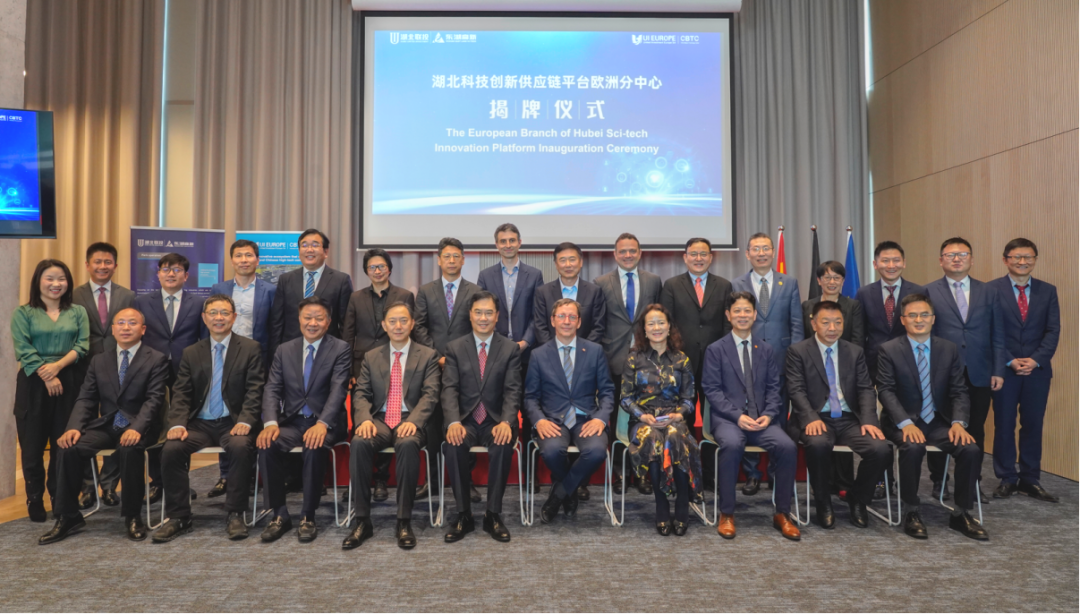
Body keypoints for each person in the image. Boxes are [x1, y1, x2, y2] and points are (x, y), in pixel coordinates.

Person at [37, 308, 170, 544]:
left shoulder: (156, 359)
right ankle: (68, 516)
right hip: (108, 424)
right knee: (69, 447)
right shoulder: (99, 360)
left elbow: (154, 400)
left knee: (129, 448)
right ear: (113, 329)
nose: (126, 327)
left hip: (141, 426)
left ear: (143, 329)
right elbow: (86, 398)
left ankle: (132, 515)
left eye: (132, 323)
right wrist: (74, 427)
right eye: (121, 323)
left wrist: (136, 428)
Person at [153, 295, 265, 543]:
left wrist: (246, 420)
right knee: (171, 449)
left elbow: (255, 389)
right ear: (204, 318)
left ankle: (235, 513)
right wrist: (178, 423)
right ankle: (179, 516)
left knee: (240, 447)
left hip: (233, 421)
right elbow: (182, 392)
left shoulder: (250, 348)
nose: (219, 318)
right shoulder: (192, 352)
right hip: (200, 423)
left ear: (234, 317)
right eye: (213, 313)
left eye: (224, 313)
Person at [877, 294, 987, 540]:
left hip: (938, 422)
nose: (919, 320)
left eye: (924, 315)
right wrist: (905, 423)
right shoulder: (889, 350)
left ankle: (961, 513)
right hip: (902, 421)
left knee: (970, 448)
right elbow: (885, 391)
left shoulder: (948, 349)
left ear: (933, 318)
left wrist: (958, 423)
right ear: (903, 320)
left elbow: (959, 390)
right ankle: (911, 510)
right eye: (912, 315)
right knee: (912, 447)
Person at [702, 292, 800, 541]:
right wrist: (737, 416)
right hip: (728, 420)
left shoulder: (765, 349)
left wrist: (769, 415)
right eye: (737, 311)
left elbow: (774, 389)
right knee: (732, 444)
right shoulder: (715, 349)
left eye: (747, 310)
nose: (742, 315)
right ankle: (727, 513)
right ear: (728, 315)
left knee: (787, 446)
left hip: (761, 420)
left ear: (755, 315)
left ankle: (782, 513)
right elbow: (712, 390)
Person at [786, 300, 891, 529]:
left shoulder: (854, 352)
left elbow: (865, 389)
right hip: (816, 417)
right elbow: (796, 389)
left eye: (838, 322)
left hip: (849, 419)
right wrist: (810, 418)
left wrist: (869, 420)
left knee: (881, 449)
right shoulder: (798, 351)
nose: (832, 328)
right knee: (817, 444)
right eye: (826, 322)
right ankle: (823, 501)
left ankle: (858, 498)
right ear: (814, 324)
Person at [345, 302, 441, 550]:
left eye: (403, 320)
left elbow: (430, 395)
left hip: (411, 417)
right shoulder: (371, 356)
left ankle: (403, 520)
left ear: (412, 324)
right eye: (392, 321)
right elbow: (361, 393)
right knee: (359, 442)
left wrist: (414, 421)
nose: (398, 326)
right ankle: (362, 520)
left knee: (408, 444)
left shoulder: (427, 355)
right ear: (384, 325)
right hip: (379, 419)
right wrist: (364, 419)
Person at [257, 296, 351, 543]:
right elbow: (272, 388)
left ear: (328, 321)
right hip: (293, 421)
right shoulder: (284, 349)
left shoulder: (340, 348)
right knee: (267, 444)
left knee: (314, 445)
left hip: (326, 422)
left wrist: (322, 424)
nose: (312, 323)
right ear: (299, 319)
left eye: (319, 318)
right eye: (307, 317)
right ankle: (279, 514)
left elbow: (338, 390)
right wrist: (270, 423)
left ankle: (308, 515)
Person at [923, 238, 1004, 502]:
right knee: (939, 426)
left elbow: (998, 334)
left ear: (971, 259)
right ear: (941, 260)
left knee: (976, 429)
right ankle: (940, 480)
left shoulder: (989, 291)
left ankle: (972, 482)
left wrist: (998, 370)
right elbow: (925, 334)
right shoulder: (928, 291)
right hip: (941, 373)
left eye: (962, 254)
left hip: (980, 371)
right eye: (950, 255)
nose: (956, 259)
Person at [11, 259, 90, 522]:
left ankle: (60, 497)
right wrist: (46, 375)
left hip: (69, 380)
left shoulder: (77, 311)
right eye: (50, 278)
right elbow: (23, 348)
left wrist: (56, 367)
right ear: (38, 281)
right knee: (32, 445)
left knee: (63, 443)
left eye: (61, 279)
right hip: (33, 382)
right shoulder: (23, 313)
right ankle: (34, 498)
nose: (56, 284)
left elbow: (82, 346)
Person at [441, 291, 522, 543]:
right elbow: (449, 388)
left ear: (497, 316)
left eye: (489, 313)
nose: (483, 318)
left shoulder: (509, 349)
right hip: (464, 420)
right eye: (478, 312)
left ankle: (493, 514)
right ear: (470, 315)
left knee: (502, 444)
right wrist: (453, 421)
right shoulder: (455, 347)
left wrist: (507, 422)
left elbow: (512, 390)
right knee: (453, 445)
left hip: (495, 420)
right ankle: (463, 514)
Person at [525, 298, 615, 523]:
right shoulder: (538, 354)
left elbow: (607, 392)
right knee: (552, 451)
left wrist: (601, 419)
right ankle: (570, 491)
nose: (567, 321)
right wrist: (539, 421)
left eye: (572, 317)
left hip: (587, 419)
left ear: (579, 322)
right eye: (562, 316)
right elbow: (530, 397)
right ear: (552, 320)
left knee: (596, 451)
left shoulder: (594, 351)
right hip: (553, 420)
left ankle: (559, 493)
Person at [132, 253, 209, 503]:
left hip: (186, 372)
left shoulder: (198, 304)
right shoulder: (142, 301)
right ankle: (157, 482)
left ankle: (180, 482)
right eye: (165, 269)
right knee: (155, 425)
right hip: (151, 371)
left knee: (182, 427)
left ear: (186, 276)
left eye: (176, 270)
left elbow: (203, 340)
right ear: (158, 274)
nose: (171, 274)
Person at [731, 232, 803, 495]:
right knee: (749, 412)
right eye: (756, 249)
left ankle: (775, 472)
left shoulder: (789, 282)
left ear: (773, 252)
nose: (761, 253)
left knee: (777, 416)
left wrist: (795, 359)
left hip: (781, 360)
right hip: (746, 358)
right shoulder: (737, 283)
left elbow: (796, 323)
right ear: (747, 253)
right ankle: (752, 474)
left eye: (765, 248)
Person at [342, 247, 416, 503]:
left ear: (389, 269)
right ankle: (358, 481)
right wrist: (349, 370)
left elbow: (410, 330)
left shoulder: (404, 295)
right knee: (363, 423)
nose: (377, 271)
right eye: (372, 267)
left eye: (381, 266)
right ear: (366, 271)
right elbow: (348, 334)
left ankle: (381, 479)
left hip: (394, 365)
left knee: (389, 417)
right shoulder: (356, 297)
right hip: (362, 368)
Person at [621, 303, 701, 536]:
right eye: (651, 324)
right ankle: (662, 505)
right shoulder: (633, 359)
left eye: (661, 323)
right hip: (643, 421)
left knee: (675, 436)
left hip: (674, 419)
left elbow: (689, 398)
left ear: (669, 327)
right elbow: (625, 398)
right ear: (644, 330)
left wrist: (679, 414)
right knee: (653, 438)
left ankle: (683, 504)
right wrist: (642, 416)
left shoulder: (682, 360)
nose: (656, 328)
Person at [989, 238, 1060, 502]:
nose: (1022, 262)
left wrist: (1035, 359)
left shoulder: (1047, 291)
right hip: (1003, 370)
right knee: (1004, 424)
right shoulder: (991, 290)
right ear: (1005, 259)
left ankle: (1030, 478)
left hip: (1037, 371)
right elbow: (988, 330)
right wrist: (1009, 360)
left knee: (1033, 424)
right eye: (1016, 257)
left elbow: (1053, 330)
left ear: (1035, 260)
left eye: (1028, 257)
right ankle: (1007, 477)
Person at [207, 239, 277, 499]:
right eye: (239, 256)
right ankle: (225, 475)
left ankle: (249, 475)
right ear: (232, 260)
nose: (244, 260)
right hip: (224, 358)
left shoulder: (270, 290)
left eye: (249, 255)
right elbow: (212, 322)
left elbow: (275, 327)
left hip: (257, 359)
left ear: (257, 260)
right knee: (225, 413)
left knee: (252, 414)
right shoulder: (219, 288)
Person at [660, 237, 733, 488]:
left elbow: (728, 325)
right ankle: (686, 472)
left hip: (715, 362)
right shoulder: (672, 285)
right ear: (685, 257)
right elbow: (667, 324)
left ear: (711, 257)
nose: (698, 258)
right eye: (694, 254)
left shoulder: (724, 285)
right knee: (685, 417)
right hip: (682, 363)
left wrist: (724, 356)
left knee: (714, 417)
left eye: (703, 254)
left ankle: (711, 475)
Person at [477, 223, 543, 490]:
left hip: (526, 354)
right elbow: (483, 313)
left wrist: (524, 342)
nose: (507, 245)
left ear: (519, 243)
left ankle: (530, 474)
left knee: (528, 412)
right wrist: (502, 346)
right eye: (502, 241)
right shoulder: (485, 275)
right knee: (497, 408)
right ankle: (498, 473)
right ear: (496, 245)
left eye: (512, 240)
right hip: (495, 355)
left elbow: (538, 314)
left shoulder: (534, 274)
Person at [595, 232, 661, 496]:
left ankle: (643, 473)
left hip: (646, 360)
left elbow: (658, 320)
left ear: (640, 253)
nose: (628, 255)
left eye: (632, 250)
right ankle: (620, 473)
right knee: (616, 419)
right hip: (613, 359)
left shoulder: (653, 281)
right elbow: (599, 322)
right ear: (615, 254)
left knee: (644, 417)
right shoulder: (601, 283)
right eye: (622, 251)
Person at [414, 237, 479, 500]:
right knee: (433, 426)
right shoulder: (425, 291)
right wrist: (437, 356)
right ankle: (432, 481)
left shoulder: (475, 291)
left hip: (466, 367)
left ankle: (466, 481)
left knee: (464, 422)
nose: (451, 261)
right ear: (439, 260)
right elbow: (419, 326)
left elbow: (478, 327)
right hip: (432, 367)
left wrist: (456, 357)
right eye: (447, 256)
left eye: (456, 256)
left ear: (463, 260)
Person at [72, 242, 135, 509]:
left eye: (108, 262)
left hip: (118, 370)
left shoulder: (127, 295)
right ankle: (88, 487)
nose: (102, 266)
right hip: (82, 368)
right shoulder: (73, 295)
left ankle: (109, 485)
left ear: (115, 266)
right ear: (87, 265)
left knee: (117, 423)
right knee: (85, 426)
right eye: (97, 262)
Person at [801, 260, 865, 501]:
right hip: (816, 371)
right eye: (826, 277)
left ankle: (844, 483)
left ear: (843, 281)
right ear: (819, 281)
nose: (831, 281)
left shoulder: (852, 306)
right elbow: (804, 340)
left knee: (843, 421)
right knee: (820, 434)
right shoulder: (808, 305)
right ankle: (824, 485)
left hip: (845, 370)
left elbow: (857, 338)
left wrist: (847, 365)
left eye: (836, 277)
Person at [267, 228, 353, 360]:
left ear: (326, 252)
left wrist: (344, 356)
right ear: (299, 251)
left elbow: (346, 324)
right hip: (291, 352)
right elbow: (277, 322)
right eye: (304, 245)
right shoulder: (286, 279)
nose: (309, 250)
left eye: (315, 245)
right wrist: (275, 356)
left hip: (328, 352)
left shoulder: (341, 280)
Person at [855, 241, 924, 384]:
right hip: (874, 363)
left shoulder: (919, 291)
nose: (891, 266)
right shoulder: (864, 293)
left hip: (910, 359)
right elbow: (859, 333)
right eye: (885, 261)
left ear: (904, 263)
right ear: (875, 264)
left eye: (896, 260)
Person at [533, 241, 606, 346]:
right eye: (563, 260)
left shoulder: (594, 291)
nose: (568, 265)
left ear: (581, 262)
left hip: (585, 352)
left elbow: (598, 327)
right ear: (556, 264)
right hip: (552, 352)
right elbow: (540, 328)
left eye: (572, 260)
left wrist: (582, 351)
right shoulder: (543, 292)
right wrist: (555, 351)